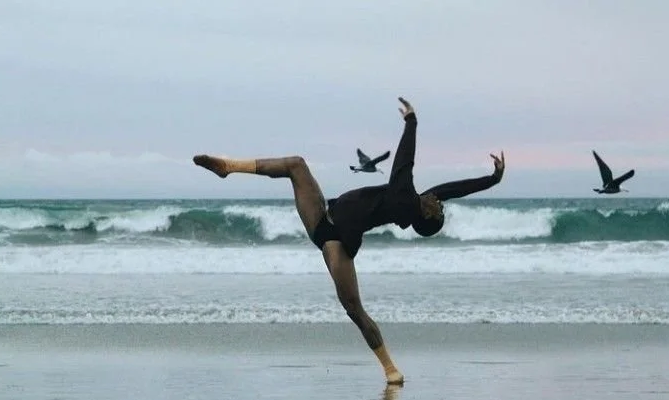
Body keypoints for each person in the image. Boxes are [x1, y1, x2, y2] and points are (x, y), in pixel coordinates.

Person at [193, 97, 506, 384]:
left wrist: (411, 122)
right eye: (439, 204)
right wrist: (492, 179)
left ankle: (390, 370)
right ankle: (229, 167)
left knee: (355, 310)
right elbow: (454, 189)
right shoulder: (417, 200)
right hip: (323, 213)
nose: (438, 202)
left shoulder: (403, 197)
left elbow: (404, 160)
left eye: (438, 209)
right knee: (296, 165)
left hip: (335, 241)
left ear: (426, 218)